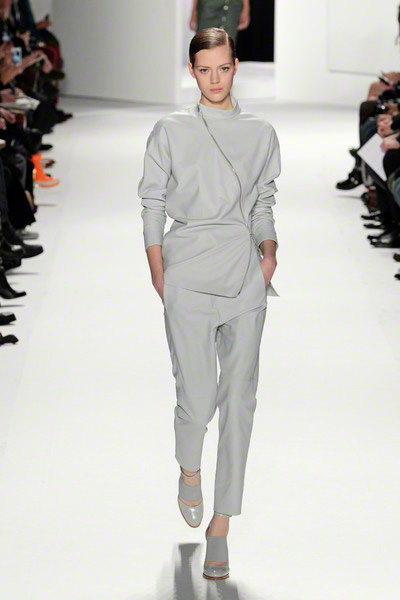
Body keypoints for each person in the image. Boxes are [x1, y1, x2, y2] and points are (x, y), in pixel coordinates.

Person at [137, 27, 281, 581]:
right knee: (196, 402)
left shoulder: (260, 132)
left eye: (223, 68)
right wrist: (159, 271)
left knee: (239, 402)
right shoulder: (171, 129)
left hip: (244, 274)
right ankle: (189, 469)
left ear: (236, 66)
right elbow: (152, 201)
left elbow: (264, 201)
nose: (215, 79)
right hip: (188, 272)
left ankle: (221, 524)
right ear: (192, 70)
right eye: (204, 70)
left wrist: (269, 253)